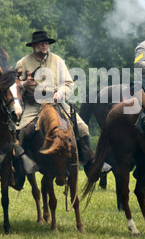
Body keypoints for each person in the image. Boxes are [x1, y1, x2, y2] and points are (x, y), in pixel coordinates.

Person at [15, 31, 109, 176]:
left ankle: (91, 164)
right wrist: (24, 83)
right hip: (34, 105)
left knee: (82, 127)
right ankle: (20, 169)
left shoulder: (58, 60)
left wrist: (60, 93)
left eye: (46, 43)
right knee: (21, 131)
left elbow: (68, 83)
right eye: (41, 43)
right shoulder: (22, 63)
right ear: (34, 46)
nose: (45, 45)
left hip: (56, 103)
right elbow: (13, 85)